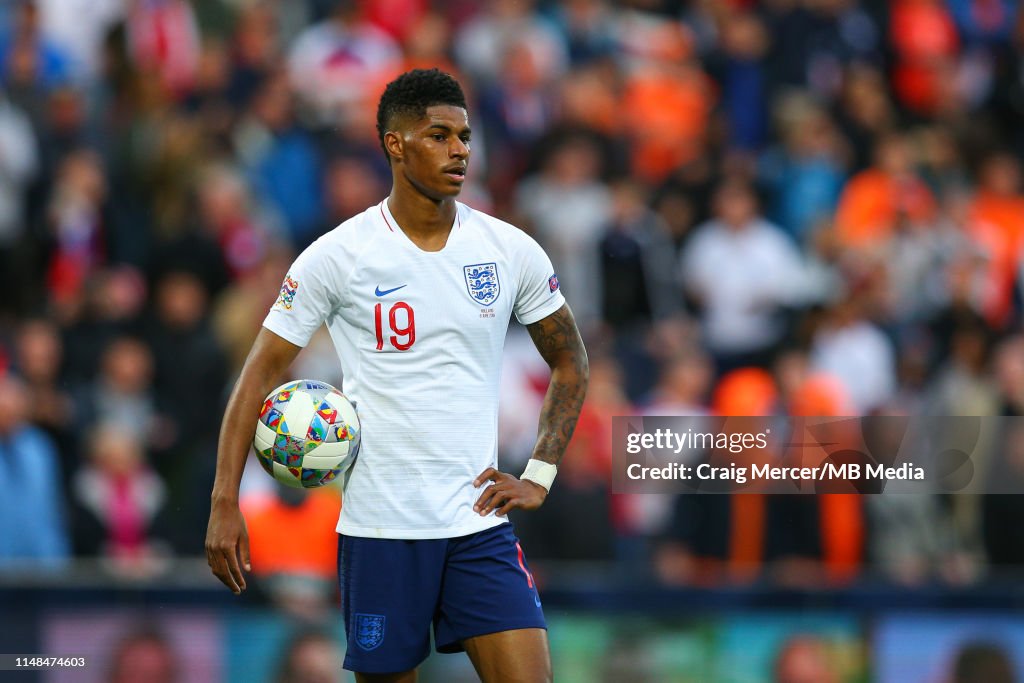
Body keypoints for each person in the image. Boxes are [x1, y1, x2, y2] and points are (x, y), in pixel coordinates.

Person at [206, 68, 589, 683]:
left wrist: (540, 472)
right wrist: (225, 500)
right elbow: (255, 379)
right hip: (381, 529)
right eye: (439, 135)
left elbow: (571, 359)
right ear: (395, 143)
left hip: (478, 525)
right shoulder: (338, 255)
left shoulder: (509, 249)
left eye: (464, 136)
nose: (460, 149)